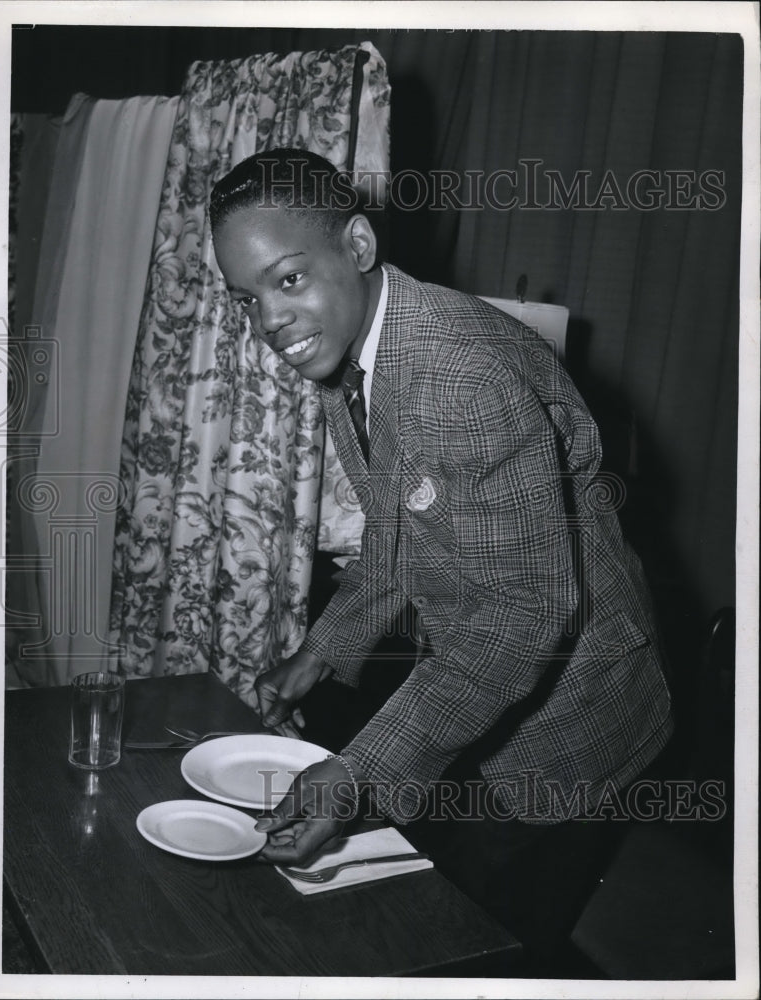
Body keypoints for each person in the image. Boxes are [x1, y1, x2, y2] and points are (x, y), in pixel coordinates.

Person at [209, 148, 674, 970]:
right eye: (248, 299)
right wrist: (322, 651)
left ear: (357, 245)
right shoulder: (351, 355)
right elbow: (403, 525)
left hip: (573, 714)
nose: (269, 323)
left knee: (469, 943)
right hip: (486, 689)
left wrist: (358, 772)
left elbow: (525, 614)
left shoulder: (459, 377)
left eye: (287, 280)